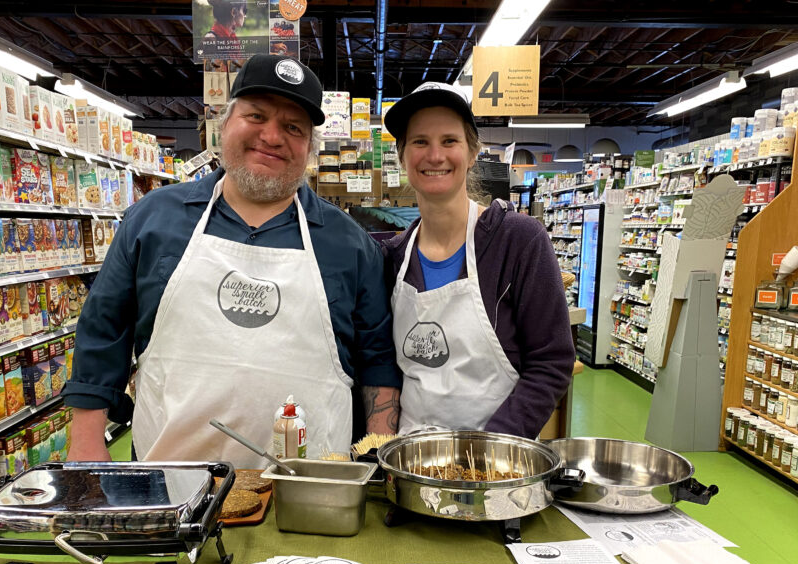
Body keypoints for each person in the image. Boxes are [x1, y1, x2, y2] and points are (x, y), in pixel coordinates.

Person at [64, 54, 400, 468]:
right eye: (256, 115)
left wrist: (381, 456)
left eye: (293, 127)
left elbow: (378, 361)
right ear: (223, 124)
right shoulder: (153, 219)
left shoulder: (348, 243)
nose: (272, 136)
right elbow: (103, 331)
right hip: (170, 479)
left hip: (312, 491)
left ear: (309, 148)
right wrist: (86, 444)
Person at [381, 82, 575, 438]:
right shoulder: (393, 259)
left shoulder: (519, 241)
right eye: (420, 141)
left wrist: (490, 449)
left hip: (497, 465)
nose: (435, 155)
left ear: (472, 153)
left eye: (449, 141)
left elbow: (552, 361)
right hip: (409, 461)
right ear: (402, 156)